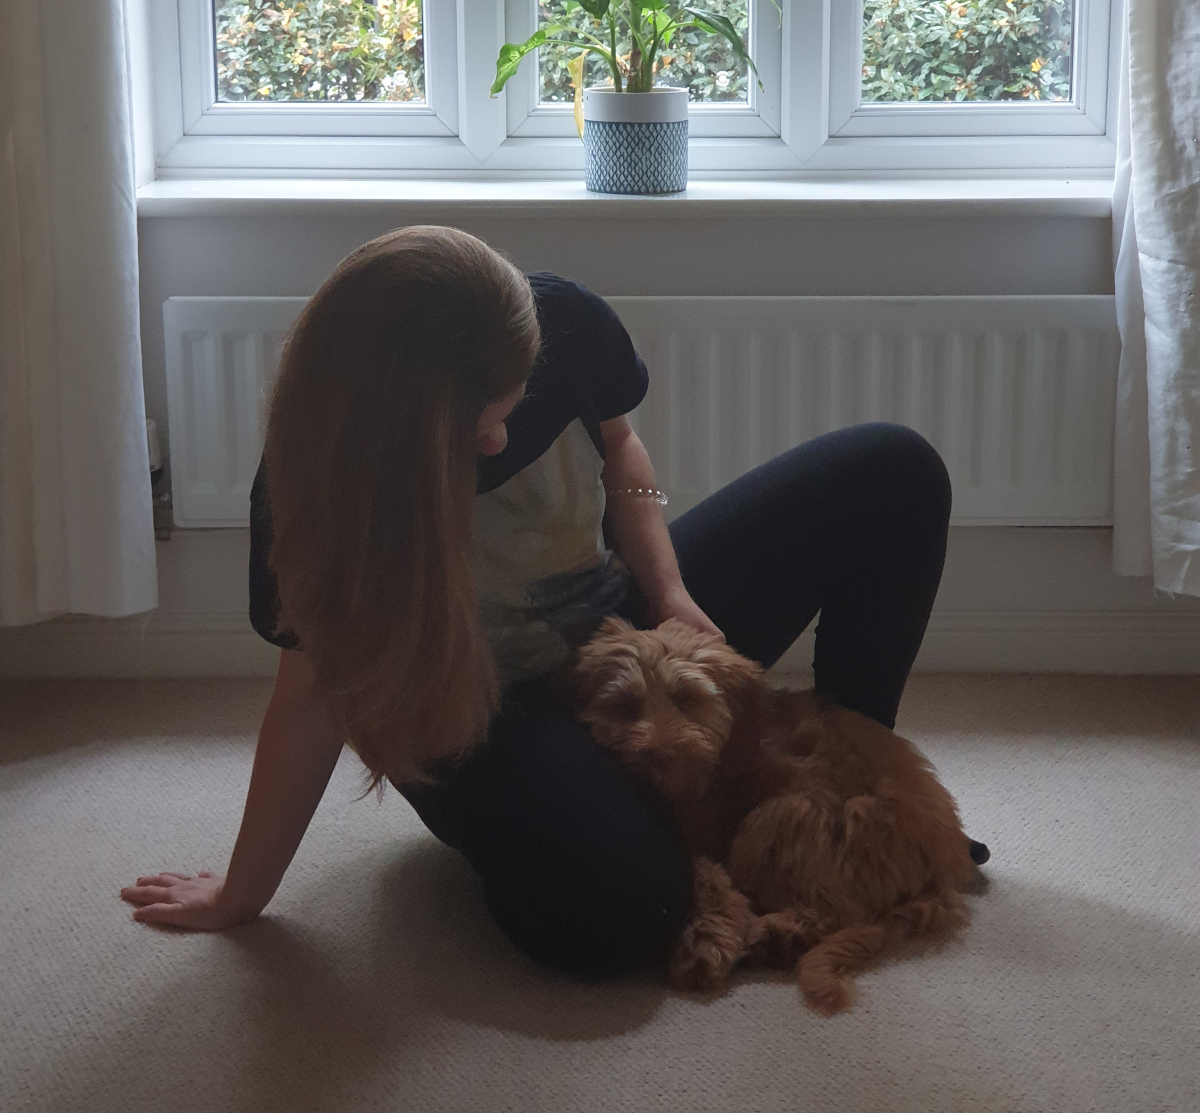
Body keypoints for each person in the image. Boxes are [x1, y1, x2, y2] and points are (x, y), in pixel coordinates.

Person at [122, 225, 983, 979]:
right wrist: (243, 892)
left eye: (512, 407)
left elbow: (621, 446)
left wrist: (668, 591)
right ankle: (603, 822)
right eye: (475, 431)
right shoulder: (309, 493)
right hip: (481, 710)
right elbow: (310, 698)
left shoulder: (564, 322)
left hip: (618, 628)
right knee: (623, 919)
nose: (500, 439)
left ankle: (857, 791)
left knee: (894, 471)